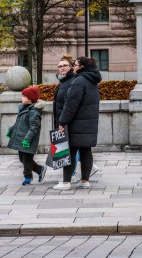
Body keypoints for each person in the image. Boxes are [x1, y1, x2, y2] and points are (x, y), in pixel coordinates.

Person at [53, 57, 101, 190]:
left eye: (76, 65)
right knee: (86, 150)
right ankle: (85, 181)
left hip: (76, 123)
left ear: (82, 67)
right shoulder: (92, 81)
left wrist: (62, 121)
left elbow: (71, 104)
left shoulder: (78, 81)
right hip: (88, 123)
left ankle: (66, 182)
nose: (74, 67)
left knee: (69, 151)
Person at [6, 86, 47, 185]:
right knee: (22, 159)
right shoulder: (24, 109)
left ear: (30, 99)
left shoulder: (33, 112)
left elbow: (33, 128)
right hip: (22, 139)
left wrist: (27, 140)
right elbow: (19, 123)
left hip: (28, 140)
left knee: (27, 160)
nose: (22, 98)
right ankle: (40, 169)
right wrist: (11, 130)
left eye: (24, 96)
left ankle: (27, 177)